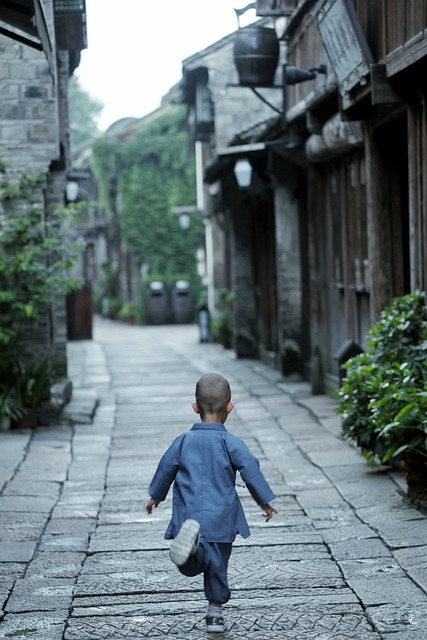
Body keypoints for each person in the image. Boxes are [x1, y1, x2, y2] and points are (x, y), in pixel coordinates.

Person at [146, 372, 277, 633]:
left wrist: (156, 496)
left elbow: (165, 469)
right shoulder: (231, 442)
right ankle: (214, 613)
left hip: (189, 515)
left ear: (195, 407)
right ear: (230, 406)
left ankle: (192, 551)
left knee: (192, 562)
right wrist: (264, 501)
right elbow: (250, 469)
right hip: (221, 518)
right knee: (217, 565)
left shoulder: (183, 441)